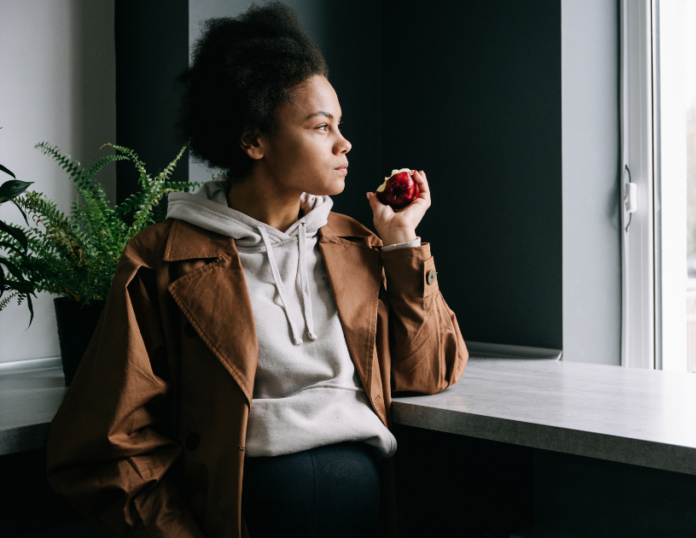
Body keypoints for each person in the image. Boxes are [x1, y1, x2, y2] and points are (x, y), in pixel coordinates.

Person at [44, 3, 468, 537]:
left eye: (340, 124)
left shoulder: (355, 244)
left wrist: (403, 246)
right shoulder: (161, 258)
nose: (345, 143)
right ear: (253, 141)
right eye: (321, 126)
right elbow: (104, 445)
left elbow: (428, 371)